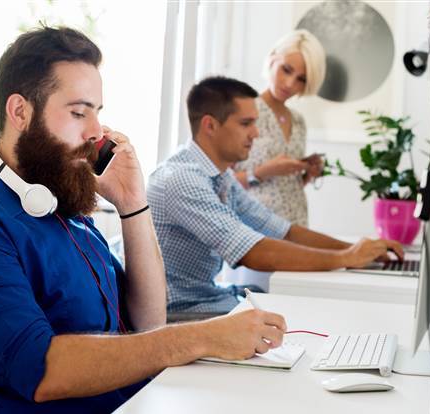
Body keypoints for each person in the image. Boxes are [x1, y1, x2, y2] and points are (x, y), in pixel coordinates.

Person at [0, 27, 287, 414]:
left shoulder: (58, 206)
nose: (96, 131)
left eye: (97, 111)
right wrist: (200, 337)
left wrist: (133, 205)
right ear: (20, 111)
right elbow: (40, 370)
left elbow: (148, 322)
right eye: (78, 112)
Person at [146, 76, 403, 314]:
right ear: (210, 125)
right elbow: (252, 252)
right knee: (295, 316)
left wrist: (358, 249)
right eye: (246, 123)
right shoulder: (181, 178)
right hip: (179, 310)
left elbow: (282, 230)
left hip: (207, 296)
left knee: (292, 309)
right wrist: (346, 258)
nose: (255, 133)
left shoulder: (221, 176)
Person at [234, 29, 326, 227]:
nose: (290, 83)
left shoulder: (299, 121)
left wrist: (307, 173)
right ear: (273, 59)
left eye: (301, 79)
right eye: (286, 69)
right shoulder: (244, 110)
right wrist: (261, 172)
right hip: (254, 229)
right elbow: (219, 183)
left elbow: (284, 186)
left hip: (297, 226)